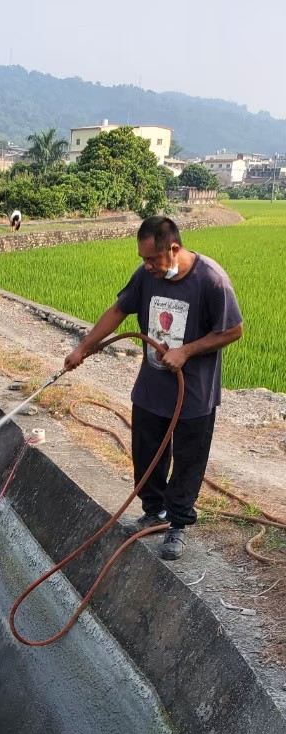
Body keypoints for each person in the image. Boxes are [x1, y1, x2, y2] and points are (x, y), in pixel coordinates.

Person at [64, 215, 243, 559]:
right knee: (147, 452)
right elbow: (119, 310)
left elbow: (234, 330)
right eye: (143, 259)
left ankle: (176, 525)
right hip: (151, 386)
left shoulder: (211, 280)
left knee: (188, 459)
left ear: (173, 249)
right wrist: (82, 348)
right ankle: (153, 512)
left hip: (193, 394)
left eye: (152, 259)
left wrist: (187, 350)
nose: (147, 266)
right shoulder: (146, 276)